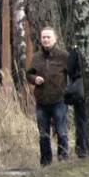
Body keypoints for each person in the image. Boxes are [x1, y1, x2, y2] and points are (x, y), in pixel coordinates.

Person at [26, 26, 69, 166]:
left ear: (54, 39)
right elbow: (29, 74)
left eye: (48, 37)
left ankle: (63, 160)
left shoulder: (63, 56)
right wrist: (34, 79)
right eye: (43, 37)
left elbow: (74, 74)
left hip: (59, 100)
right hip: (42, 102)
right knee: (43, 134)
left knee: (61, 132)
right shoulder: (36, 57)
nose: (46, 40)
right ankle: (45, 163)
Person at [65, 47, 89, 158]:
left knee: (81, 121)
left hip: (80, 91)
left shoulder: (77, 51)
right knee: (83, 121)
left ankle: (82, 149)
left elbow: (69, 69)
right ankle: (84, 148)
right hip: (85, 90)